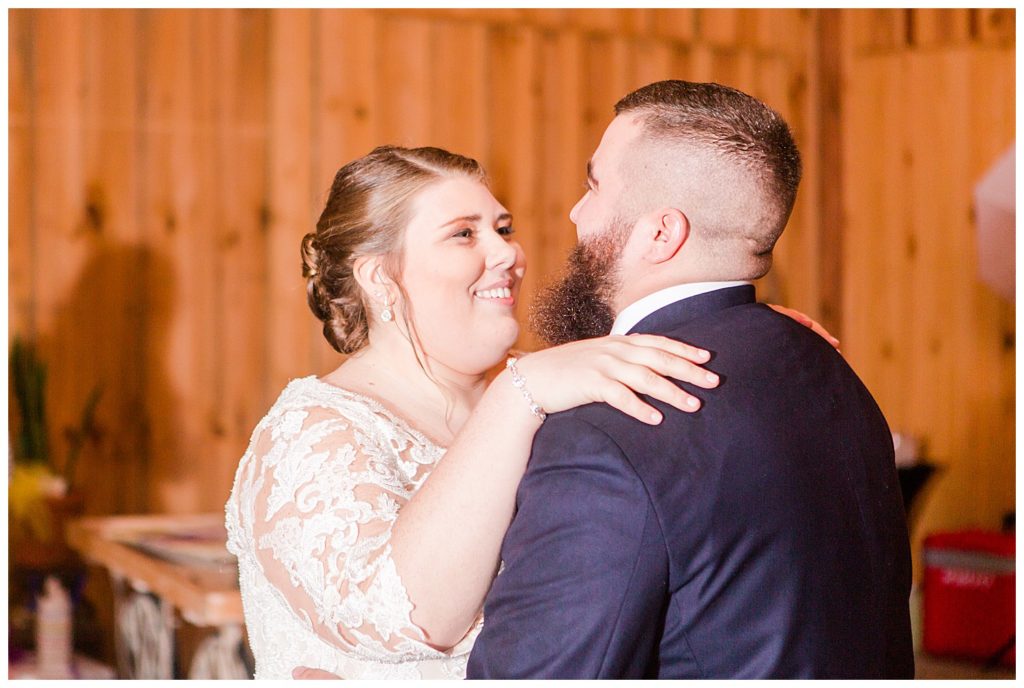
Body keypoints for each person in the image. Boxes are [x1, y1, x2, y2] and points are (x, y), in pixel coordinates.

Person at [225, 145, 727, 680]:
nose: (510, 254)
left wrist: (737, 345)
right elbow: (413, 616)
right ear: (377, 277)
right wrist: (516, 395)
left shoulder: (551, 384)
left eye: (503, 229)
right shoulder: (310, 434)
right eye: (464, 234)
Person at [465, 80, 914, 679]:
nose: (575, 211)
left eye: (593, 186)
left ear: (661, 233)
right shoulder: (827, 367)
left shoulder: (609, 432)